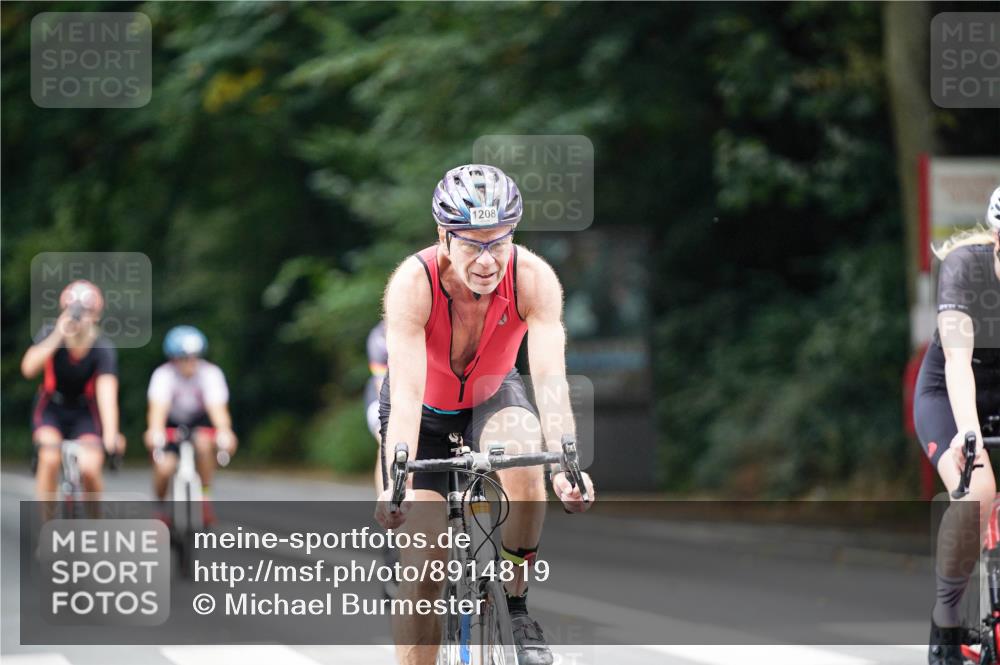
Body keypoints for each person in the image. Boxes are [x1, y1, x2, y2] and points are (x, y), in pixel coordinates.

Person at [373, 164, 596, 665]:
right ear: (443, 237)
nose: (488, 259)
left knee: (525, 442)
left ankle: (516, 606)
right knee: (422, 571)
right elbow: (405, 395)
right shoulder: (414, 283)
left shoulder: (533, 278)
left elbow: (550, 381)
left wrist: (566, 466)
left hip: (493, 399)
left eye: (499, 241)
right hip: (422, 415)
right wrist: (396, 480)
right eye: (473, 243)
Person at [915, 186, 1000, 665]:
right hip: (951, 395)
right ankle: (946, 625)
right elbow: (957, 361)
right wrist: (969, 436)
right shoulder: (965, 268)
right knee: (977, 492)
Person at [21, 279, 123, 501]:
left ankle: (95, 526)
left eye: (85, 312)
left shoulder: (102, 348)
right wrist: (59, 334)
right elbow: (28, 368)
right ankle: (45, 526)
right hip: (52, 408)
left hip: (84, 411)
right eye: (73, 310)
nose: (78, 317)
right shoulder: (51, 334)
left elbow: (107, 394)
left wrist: (111, 434)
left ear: (96, 316)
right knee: (49, 458)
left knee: (90, 469)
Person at [144, 325, 237, 525]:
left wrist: (224, 432)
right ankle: (160, 510)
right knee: (163, 468)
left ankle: (204, 499)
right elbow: (157, 412)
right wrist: (154, 432)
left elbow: (218, 411)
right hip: (172, 424)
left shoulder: (210, 374)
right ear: (173, 358)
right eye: (184, 358)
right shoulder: (163, 375)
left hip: (198, 422)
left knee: (204, 445)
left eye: (194, 357)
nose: (190, 363)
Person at [366, 320, 389, 491]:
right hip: (379, 399)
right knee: (386, 440)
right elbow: (382, 388)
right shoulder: (379, 337)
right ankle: (385, 498)